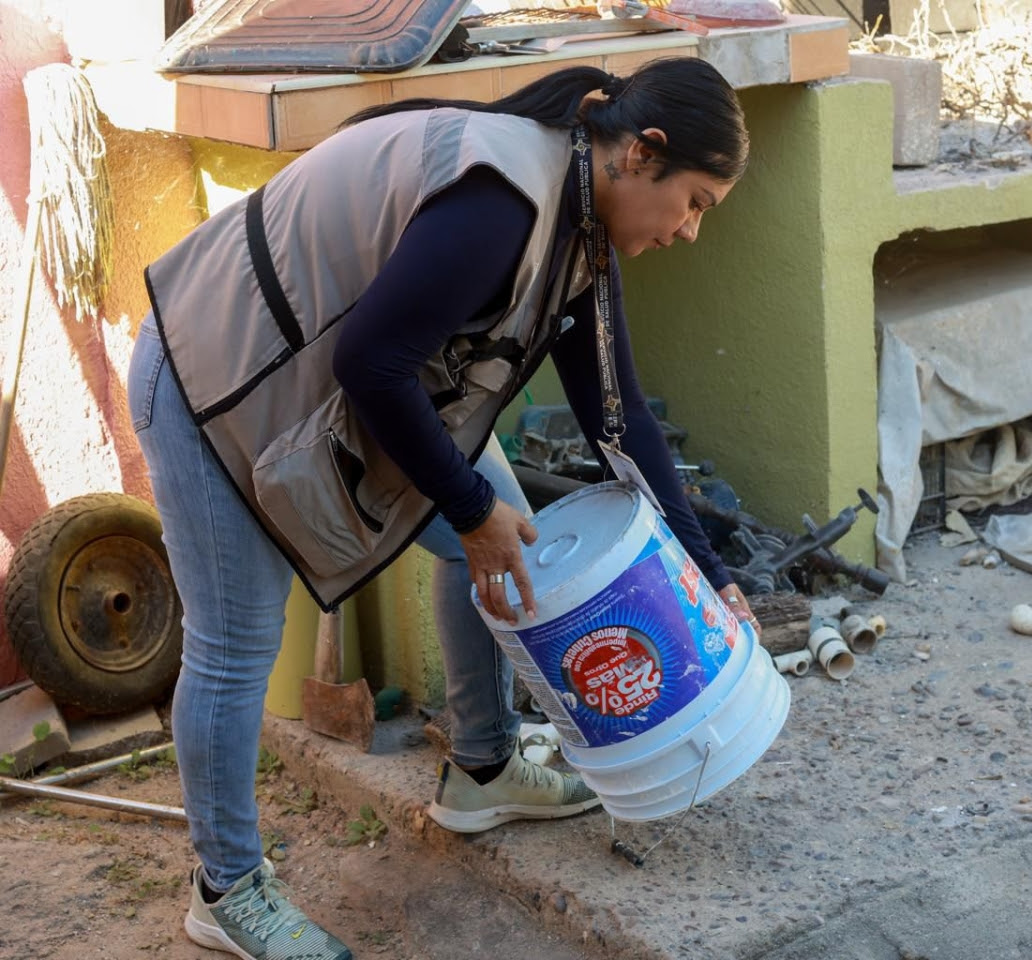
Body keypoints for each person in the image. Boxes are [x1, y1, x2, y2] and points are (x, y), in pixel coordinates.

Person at [128, 56, 758, 960]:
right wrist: (467, 504)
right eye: (695, 202)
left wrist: (713, 578)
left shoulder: (582, 225)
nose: (690, 230)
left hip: (344, 389)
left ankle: (482, 769)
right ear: (641, 154)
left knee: (504, 546)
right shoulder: (503, 202)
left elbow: (618, 419)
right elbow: (370, 363)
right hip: (212, 375)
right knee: (236, 647)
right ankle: (225, 889)